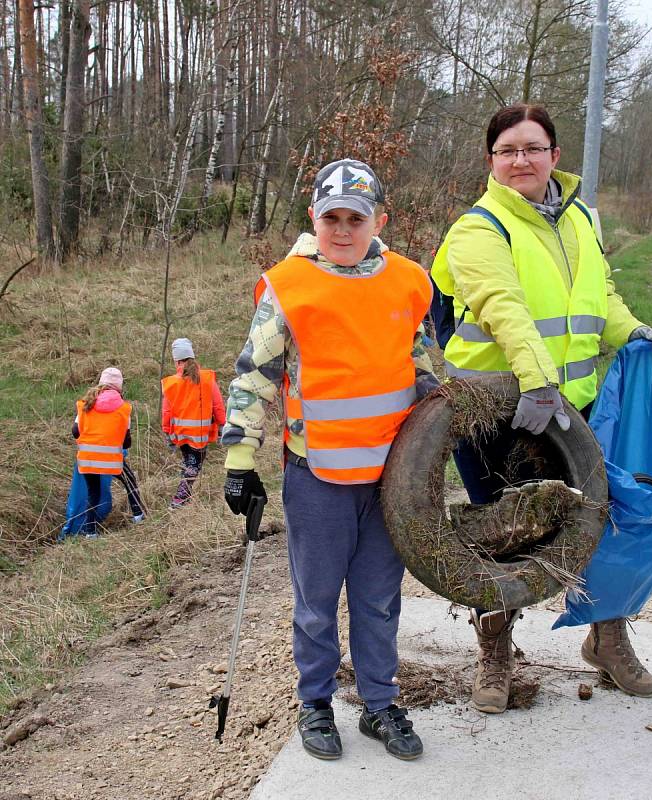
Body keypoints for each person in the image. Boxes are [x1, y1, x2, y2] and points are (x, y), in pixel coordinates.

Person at [431, 103, 652, 713]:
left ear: (555, 157)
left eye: (532, 148)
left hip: (570, 409)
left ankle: (607, 638)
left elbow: (600, 295)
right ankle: (496, 655)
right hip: (493, 411)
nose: (521, 161)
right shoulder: (478, 228)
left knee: (595, 523)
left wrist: (633, 331)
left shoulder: (580, 218)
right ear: (491, 162)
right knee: (500, 530)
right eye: (508, 151)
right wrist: (536, 382)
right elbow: (501, 304)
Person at [222, 158, 438, 762]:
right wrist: (241, 458)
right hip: (315, 476)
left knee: (378, 597)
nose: (342, 229)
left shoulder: (408, 281)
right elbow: (253, 377)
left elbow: (423, 368)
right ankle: (315, 701)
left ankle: (379, 703)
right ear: (314, 219)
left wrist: (443, 431)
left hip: (391, 478)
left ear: (378, 221)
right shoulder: (289, 286)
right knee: (316, 600)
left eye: (356, 218)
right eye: (331, 217)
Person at [161, 338, 226, 509]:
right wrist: (222, 424)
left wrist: (167, 431)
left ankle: (185, 498)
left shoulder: (171, 383)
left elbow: (166, 411)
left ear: (176, 360)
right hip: (199, 434)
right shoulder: (206, 378)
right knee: (194, 465)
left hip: (180, 433)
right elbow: (218, 404)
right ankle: (179, 500)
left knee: (190, 462)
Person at [71, 367, 132, 538]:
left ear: (101, 384)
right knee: (130, 483)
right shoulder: (124, 408)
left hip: (87, 459)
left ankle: (90, 531)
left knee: (93, 493)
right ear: (119, 387)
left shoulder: (85, 404)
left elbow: (75, 431)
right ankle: (138, 516)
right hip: (112, 461)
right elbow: (127, 442)